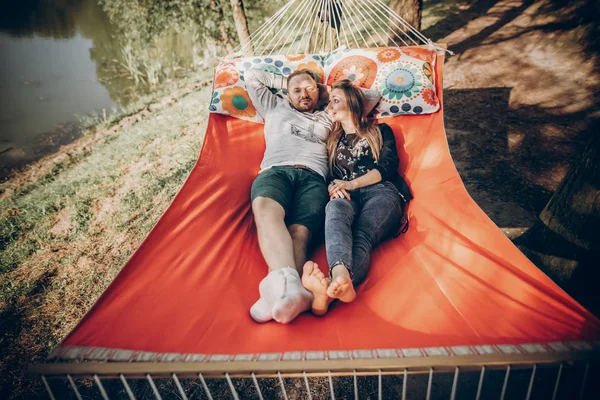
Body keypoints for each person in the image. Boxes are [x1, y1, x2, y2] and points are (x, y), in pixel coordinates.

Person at [245, 69, 380, 324]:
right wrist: (289, 83)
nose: (303, 94)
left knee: (300, 232)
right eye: (297, 90)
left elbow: (369, 97)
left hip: (314, 178)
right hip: (276, 170)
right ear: (286, 92)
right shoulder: (274, 106)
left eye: (309, 89)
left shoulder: (328, 116)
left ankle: (280, 294)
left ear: (319, 92)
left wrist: (325, 90)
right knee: (264, 208)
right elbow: (253, 77)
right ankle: (288, 290)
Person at [301, 79, 411, 316]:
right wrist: (333, 186)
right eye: (329, 101)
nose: (330, 106)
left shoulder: (380, 131)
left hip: (381, 192)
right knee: (334, 209)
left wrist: (351, 183)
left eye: (336, 100)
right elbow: (327, 175)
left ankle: (331, 290)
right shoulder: (331, 140)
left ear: (352, 103)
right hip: (347, 195)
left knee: (361, 234)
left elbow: (387, 167)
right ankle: (338, 282)